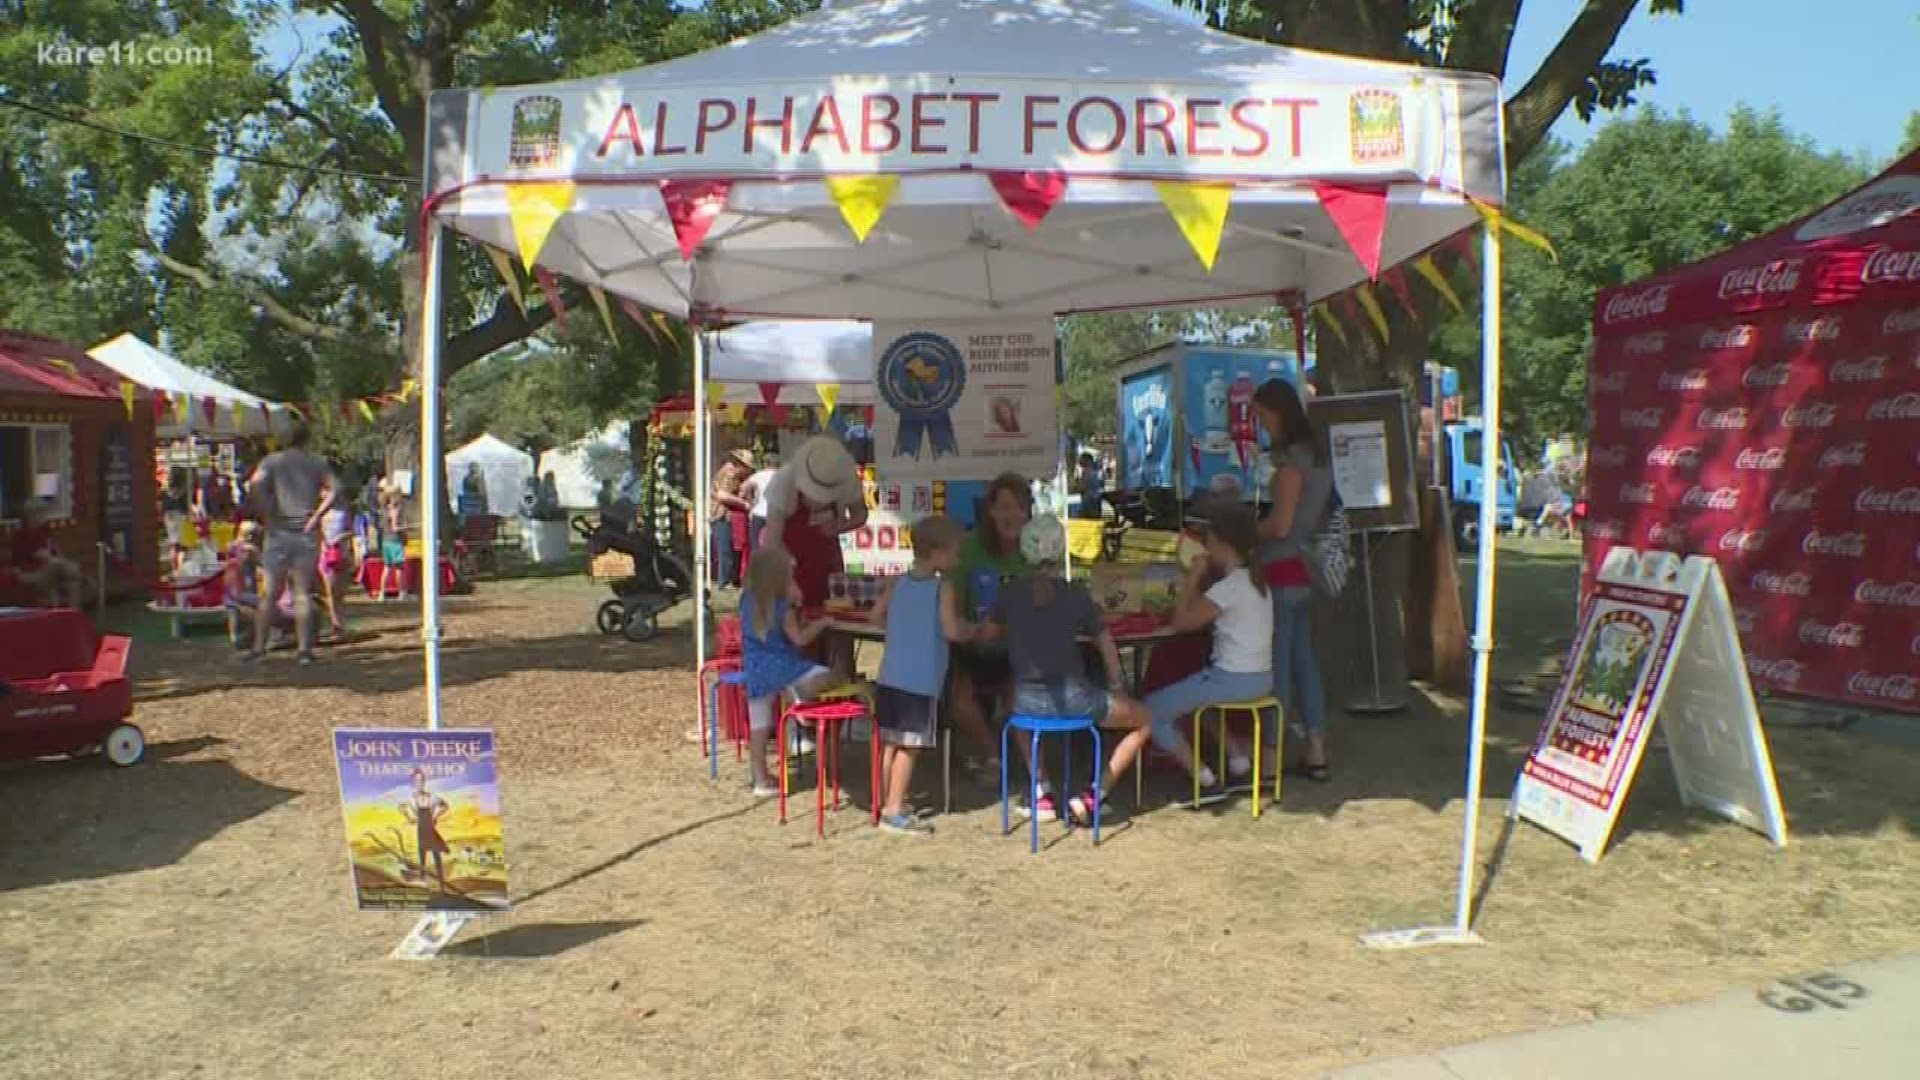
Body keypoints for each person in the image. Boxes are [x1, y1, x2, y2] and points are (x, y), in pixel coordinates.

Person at [989, 514, 1152, 827]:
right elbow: (1105, 643)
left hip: (1027, 703)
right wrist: (1118, 685)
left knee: (1015, 708)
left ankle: (1042, 791)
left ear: (1023, 551)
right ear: (1062, 550)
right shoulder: (1076, 594)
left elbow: (987, 633)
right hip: (1078, 701)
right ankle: (1094, 795)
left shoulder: (1010, 594)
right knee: (1143, 720)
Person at [1143, 505, 1275, 789]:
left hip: (1233, 680)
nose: (1205, 547)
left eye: (1208, 541)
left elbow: (1181, 622)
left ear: (1223, 544)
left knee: (1149, 711)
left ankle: (1202, 776)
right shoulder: (1255, 581)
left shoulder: (1228, 587)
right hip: (1261, 677)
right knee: (1194, 695)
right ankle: (1236, 757)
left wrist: (1193, 578)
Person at [869, 515, 978, 835]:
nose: (958, 558)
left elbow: (876, 618)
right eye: (955, 551)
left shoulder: (897, 582)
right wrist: (973, 630)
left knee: (890, 743)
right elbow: (951, 629)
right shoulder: (942, 588)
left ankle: (887, 801)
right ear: (937, 553)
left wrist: (902, 631)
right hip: (920, 680)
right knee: (910, 746)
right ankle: (893, 810)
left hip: (890, 675)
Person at [1252, 379, 1333, 780]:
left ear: (1278, 412)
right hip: (1307, 568)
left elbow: (1280, 525)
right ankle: (1317, 748)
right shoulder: (1318, 456)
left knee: (1278, 667)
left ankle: (1270, 755)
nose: (1261, 425)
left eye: (1263, 416)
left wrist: (1248, 531)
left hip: (1282, 569)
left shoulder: (1291, 463)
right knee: (1305, 662)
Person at [946, 473, 1033, 792]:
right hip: (974, 645)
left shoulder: (1035, 549)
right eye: (1004, 507)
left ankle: (1027, 763)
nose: (1012, 516)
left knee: (1017, 699)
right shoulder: (970, 548)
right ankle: (993, 755)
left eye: (1019, 508)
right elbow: (951, 596)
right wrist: (967, 629)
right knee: (959, 701)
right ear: (991, 511)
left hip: (1018, 650)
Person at [738, 545, 844, 797]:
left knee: (759, 727)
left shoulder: (746, 599)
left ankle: (760, 778)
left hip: (755, 668)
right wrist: (822, 623)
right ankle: (798, 693)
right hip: (784, 667)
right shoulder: (781, 606)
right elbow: (799, 639)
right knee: (831, 675)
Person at [243, 420, 335, 665]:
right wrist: (317, 515)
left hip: (277, 532)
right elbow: (336, 490)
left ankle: (259, 648)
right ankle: (304, 650)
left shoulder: (272, 462)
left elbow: (254, 485)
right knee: (303, 593)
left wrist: (266, 512)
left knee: (270, 592)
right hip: (305, 532)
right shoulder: (317, 462)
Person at [759, 436, 868, 611]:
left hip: (829, 562)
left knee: (834, 619)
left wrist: (838, 527)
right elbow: (771, 541)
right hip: (789, 565)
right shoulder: (784, 481)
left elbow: (860, 514)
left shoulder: (843, 476)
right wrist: (789, 581)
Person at [9, 501, 86, 608]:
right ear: (29, 516)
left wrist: (58, 560)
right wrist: (61, 562)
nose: (42, 517)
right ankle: (78, 575)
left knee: (72, 583)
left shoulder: (44, 532)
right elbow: (41, 555)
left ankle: (73, 616)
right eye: (38, 514)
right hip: (29, 573)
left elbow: (55, 553)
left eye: (43, 514)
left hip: (49, 572)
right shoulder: (22, 534)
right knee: (58, 565)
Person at [709, 447, 753, 588]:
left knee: (732, 551)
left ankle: (730, 580)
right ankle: (724, 582)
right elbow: (722, 495)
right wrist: (744, 503)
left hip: (729, 517)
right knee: (726, 551)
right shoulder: (729, 473)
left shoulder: (734, 474)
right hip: (722, 516)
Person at [400, 768, 451, 887]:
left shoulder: (432, 796)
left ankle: (442, 883)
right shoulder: (411, 798)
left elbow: (445, 806)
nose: (419, 783)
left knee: (436, 854)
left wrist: (435, 816)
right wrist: (409, 817)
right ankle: (423, 882)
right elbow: (401, 807)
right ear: (413, 782)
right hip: (421, 828)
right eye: (417, 780)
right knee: (422, 854)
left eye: (421, 780)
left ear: (424, 781)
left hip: (430, 828)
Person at [317, 495, 355, 640]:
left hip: (341, 553)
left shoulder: (343, 510)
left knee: (340, 593)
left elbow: (352, 530)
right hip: (326, 555)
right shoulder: (320, 511)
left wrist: (342, 538)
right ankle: (336, 625)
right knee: (330, 592)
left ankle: (341, 624)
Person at [739, 453, 780, 560]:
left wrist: (750, 501)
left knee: (755, 542)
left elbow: (743, 488)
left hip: (759, 512)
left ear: (765, 463)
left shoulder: (758, 475)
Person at [1074, 452, 1104, 520]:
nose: (1079, 462)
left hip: (1089, 501)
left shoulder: (1087, 471)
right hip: (1095, 498)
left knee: (1088, 520)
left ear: (1087, 460)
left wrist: (1075, 486)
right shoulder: (1095, 470)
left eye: (1081, 459)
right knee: (1095, 519)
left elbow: (1082, 487)